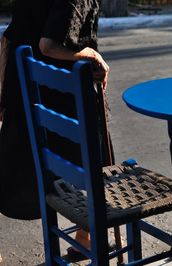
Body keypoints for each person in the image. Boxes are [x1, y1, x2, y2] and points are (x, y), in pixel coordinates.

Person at [0, 0, 109, 259]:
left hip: (23, 87)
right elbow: (49, 46)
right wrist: (92, 55)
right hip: (60, 95)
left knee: (10, 161)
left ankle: (86, 236)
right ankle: (86, 236)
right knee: (94, 152)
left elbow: (9, 36)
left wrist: (4, 92)